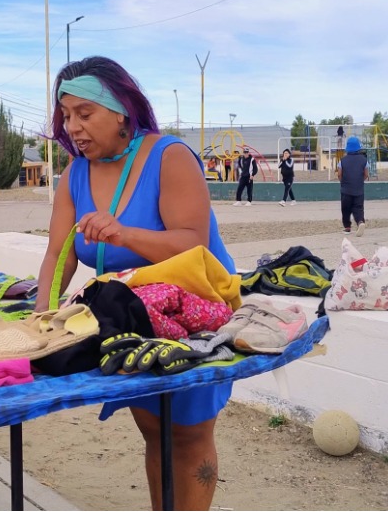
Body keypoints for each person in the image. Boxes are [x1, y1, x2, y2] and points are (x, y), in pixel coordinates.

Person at [35, 56, 237, 511]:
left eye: (85, 114)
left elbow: (193, 245)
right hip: (133, 318)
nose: (74, 127)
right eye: (67, 116)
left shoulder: (170, 157)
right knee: (153, 428)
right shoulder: (75, 175)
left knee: (188, 432)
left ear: (122, 109)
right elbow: (57, 255)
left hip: (193, 314)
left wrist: (124, 233)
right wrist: (41, 315)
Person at [337, 135, 369, 236]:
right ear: (358, 147)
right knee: (358, 208)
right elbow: (366, 174)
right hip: (359, 189)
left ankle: (347, 227)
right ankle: (360, 222)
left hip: (346, 189)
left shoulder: (342, 160)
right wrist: (359, 181)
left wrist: (343, 182)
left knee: (345, 208)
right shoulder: (364, 160)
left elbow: (339, 174)